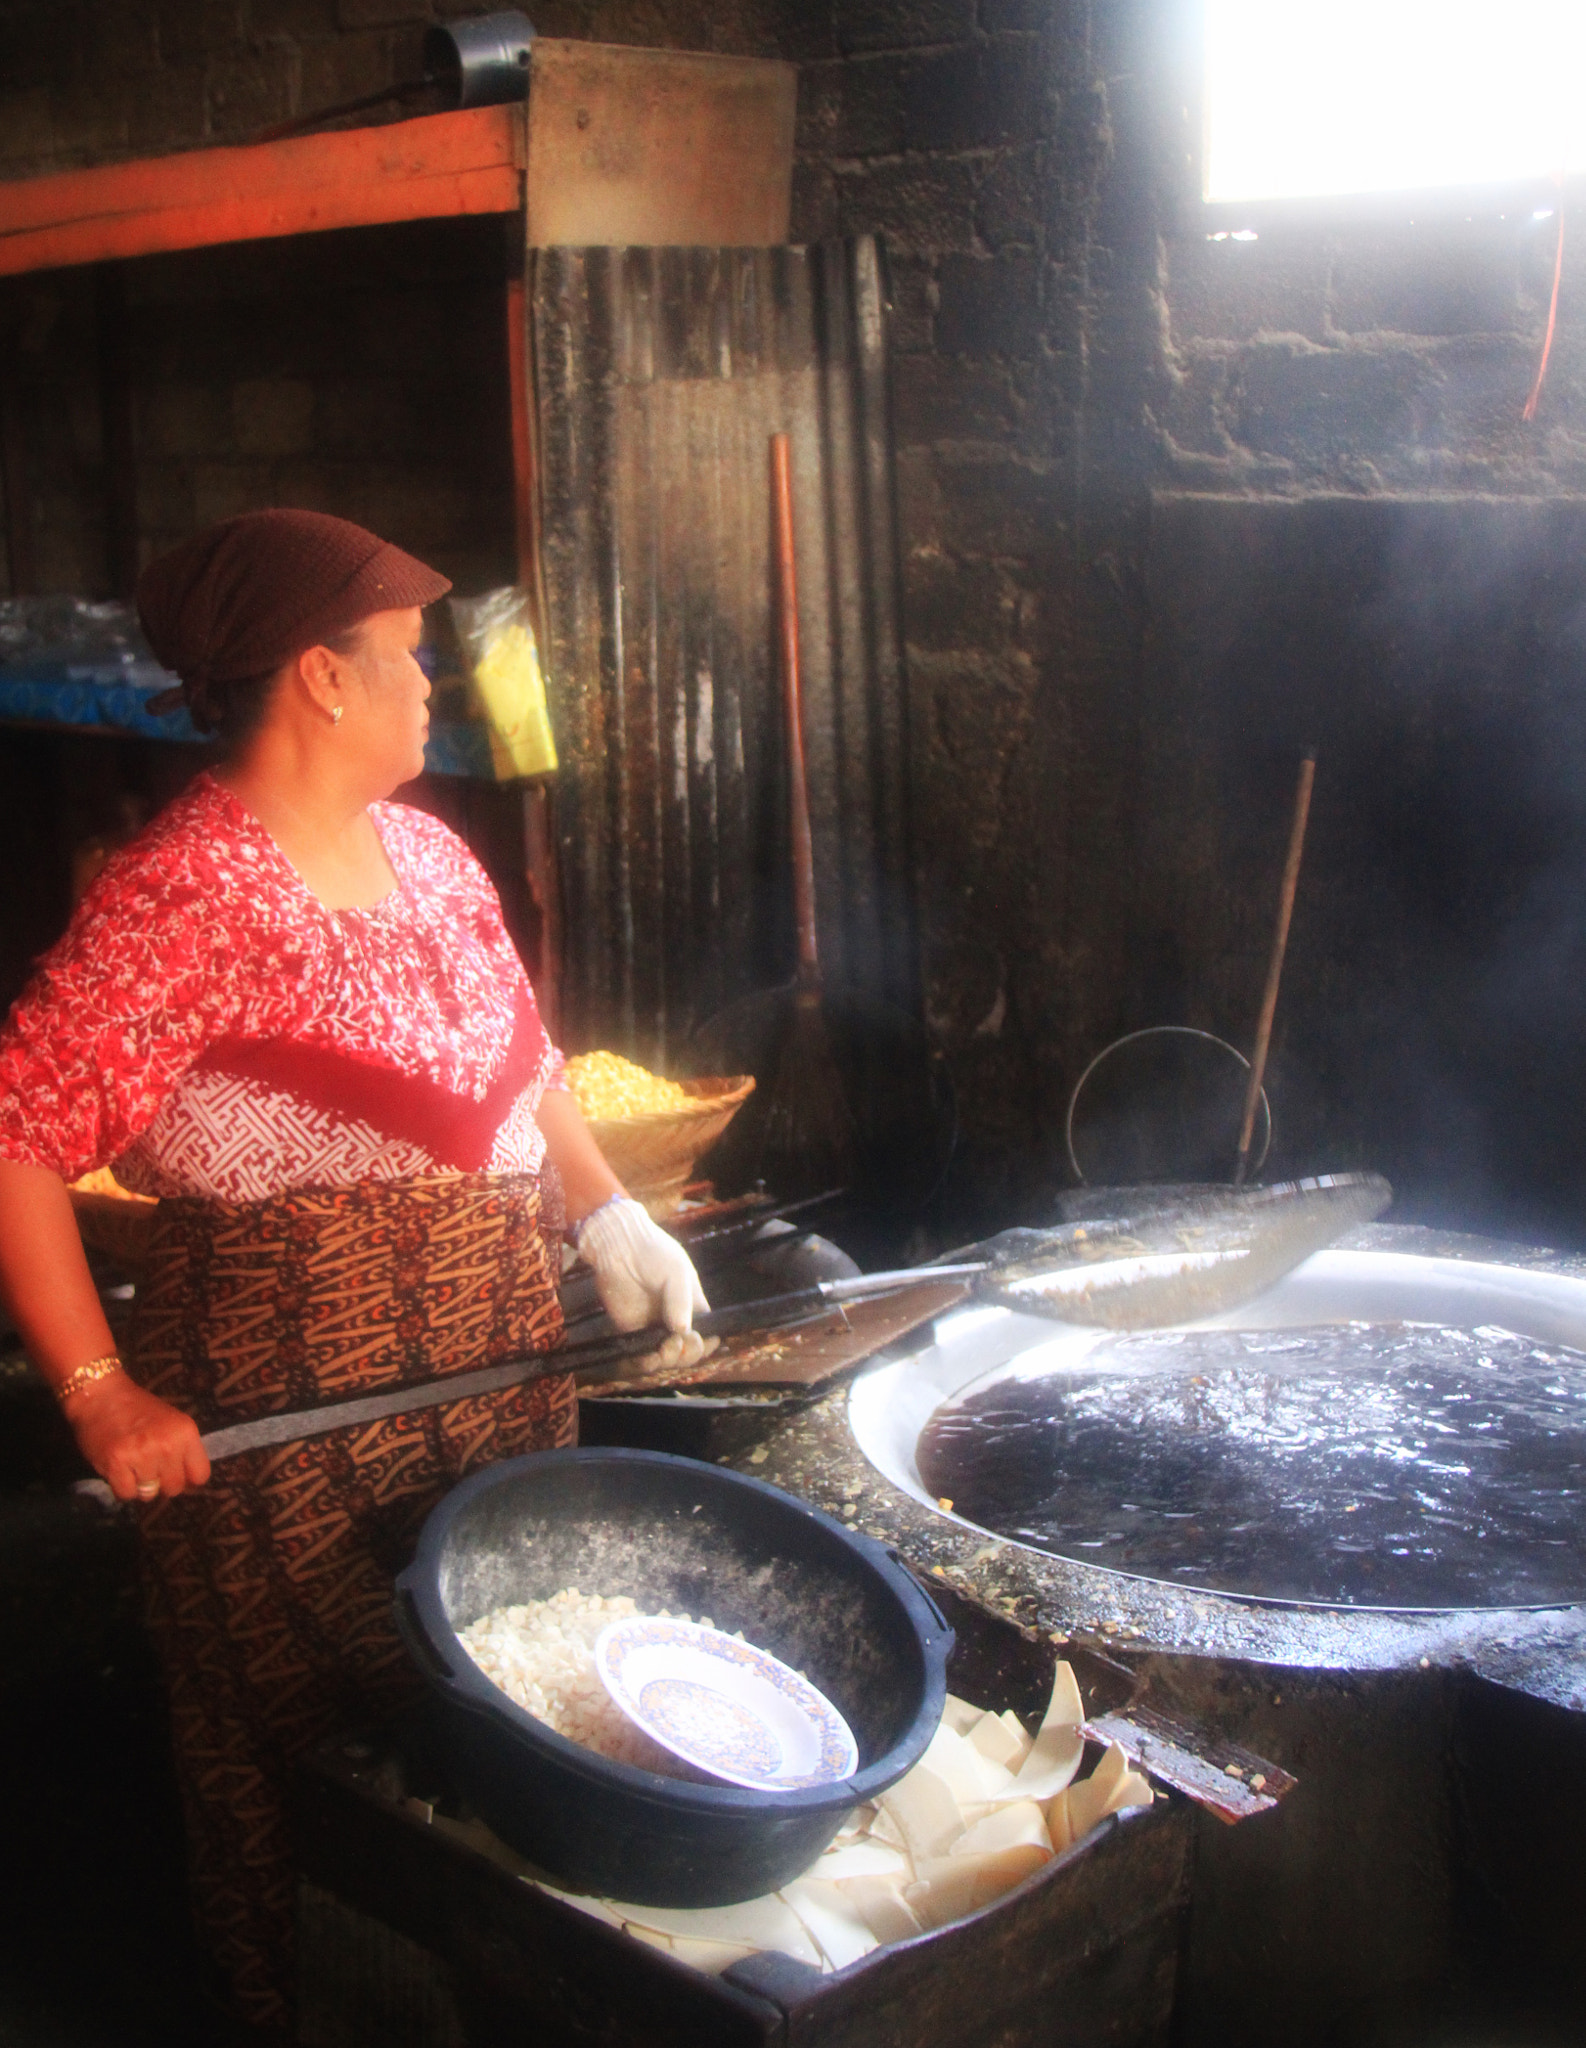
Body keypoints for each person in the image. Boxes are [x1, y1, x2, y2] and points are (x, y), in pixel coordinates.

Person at [0, 509, 708, 2040]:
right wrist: (100, 1394)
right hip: (286, 1403)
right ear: (320, 678)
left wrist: (602, 1217)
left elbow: (527, 1066)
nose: (430, 687)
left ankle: (498, 1999)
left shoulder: (431, 854)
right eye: (407, 659)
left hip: (488, 1368)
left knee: (493, 1685)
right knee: (318, 1740)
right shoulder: (182, 894)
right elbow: (17, 1131)